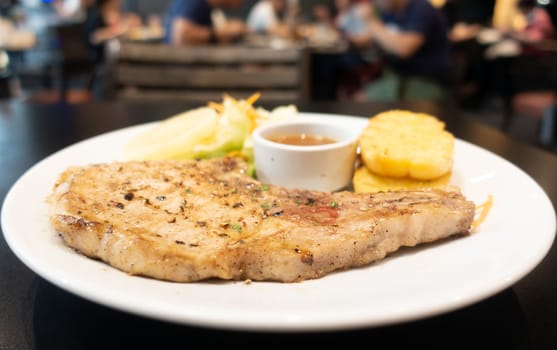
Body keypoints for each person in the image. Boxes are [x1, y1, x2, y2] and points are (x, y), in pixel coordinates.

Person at [356, 0, 452, 101]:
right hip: (396, 78)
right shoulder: (390, 12)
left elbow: (404, 49)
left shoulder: (421, 8)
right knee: (357, 99)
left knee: (359, 103)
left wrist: (370, 21)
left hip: (424, 81)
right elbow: (377, 38)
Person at [164, 0, 246, 45]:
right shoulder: (194, 2)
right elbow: (181, 36)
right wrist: (219, 35)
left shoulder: (210, 8)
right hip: (183, 73)